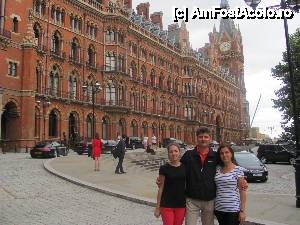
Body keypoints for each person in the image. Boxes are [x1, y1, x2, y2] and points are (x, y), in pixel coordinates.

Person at [157, 127, 247, 225]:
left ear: (210, 138)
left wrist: (242, 178)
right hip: (192, 200)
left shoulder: (215, 156)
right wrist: (163, 178)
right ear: (197, 138)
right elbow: (178, 167)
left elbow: (228, 164)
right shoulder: (189, 155)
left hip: (209, 200)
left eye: (206, 137)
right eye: (200, 137)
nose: (203, 139)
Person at [214, 145, 247, 225]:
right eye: (221, 153)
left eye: (226, 152)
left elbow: (242, 191)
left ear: (231, 154)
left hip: (233, 209)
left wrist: (242, 211)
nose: (224, 155)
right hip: (219, 208)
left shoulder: (238, 170)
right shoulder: (217, 168)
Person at [154, 143, 186, 225]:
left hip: (181, 204)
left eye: (176, 151)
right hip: (166, 204)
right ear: (168, 154)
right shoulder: (164, 168)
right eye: (171, 152)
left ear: (179, 152)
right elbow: (160, 188)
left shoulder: (185, 167)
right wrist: (157, 207)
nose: (173, 153)